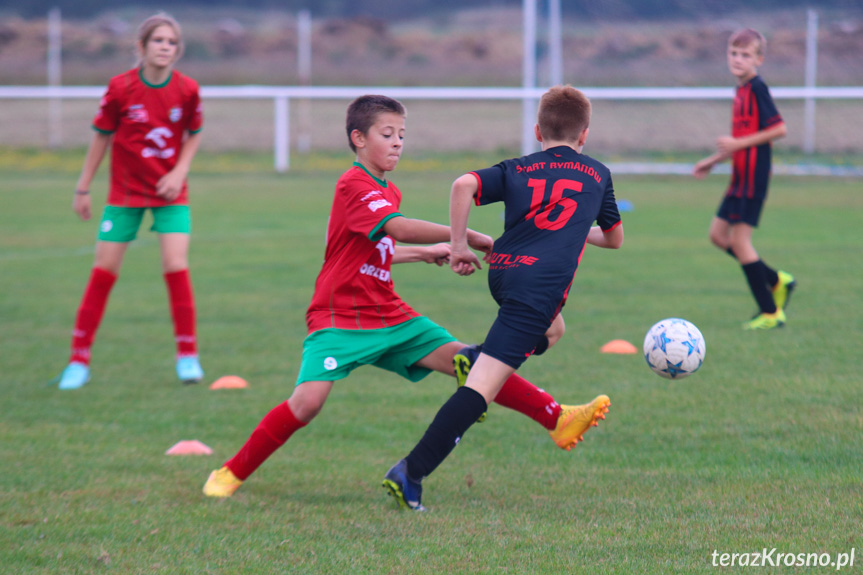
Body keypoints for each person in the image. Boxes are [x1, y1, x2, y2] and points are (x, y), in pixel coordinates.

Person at [203, 94, 605, 498]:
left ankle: (556, 416)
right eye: (387, 134)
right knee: (307, 403)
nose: (397, 142)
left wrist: (428, 252)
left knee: (469, 361)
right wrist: (466, 237)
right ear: (358, 139)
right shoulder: (353, 183)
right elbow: (399, 230)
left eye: (402, 135)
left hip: (389, 313)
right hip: (339, 315)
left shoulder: (385, 189)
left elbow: (377, 250)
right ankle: (231, 472)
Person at [383, 85, 622, 511]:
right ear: (585, 135)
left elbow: (462, 184)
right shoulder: (598, 174)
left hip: (503, 272)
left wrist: (459, 245)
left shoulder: (518, 167)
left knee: (555, 328)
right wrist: (573, 227)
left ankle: (479, 358)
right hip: (538, 288)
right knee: (481, 387)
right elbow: (613, 239)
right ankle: (411, 471)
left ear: (536, 130)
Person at [57, 13, 205, 389]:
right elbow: (101, 137)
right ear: (141, 47)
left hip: (170, 194)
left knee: (176, 264)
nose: (165, 48)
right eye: (158, 41)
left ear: (178, 50)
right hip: (124, 194)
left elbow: (194, 133)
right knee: (104, 270)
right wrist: (83, 187)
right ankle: (78, 361)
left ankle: (187, 356)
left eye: (171, 42)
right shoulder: (120, 88)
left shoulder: (187, 89)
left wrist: (179, 172)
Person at [693, 28, 795, 331]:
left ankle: (770, 311)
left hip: (753, 177)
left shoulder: (757, 88)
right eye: (734, 54)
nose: (738, 59)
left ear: (759, 59)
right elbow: (740, 139)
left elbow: (779, 130)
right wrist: (712, 161)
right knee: (717, 236)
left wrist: (737, 145)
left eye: (745, 55)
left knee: (739, 241)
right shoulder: (740, 91)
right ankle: (776, 280)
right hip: (739, 177)